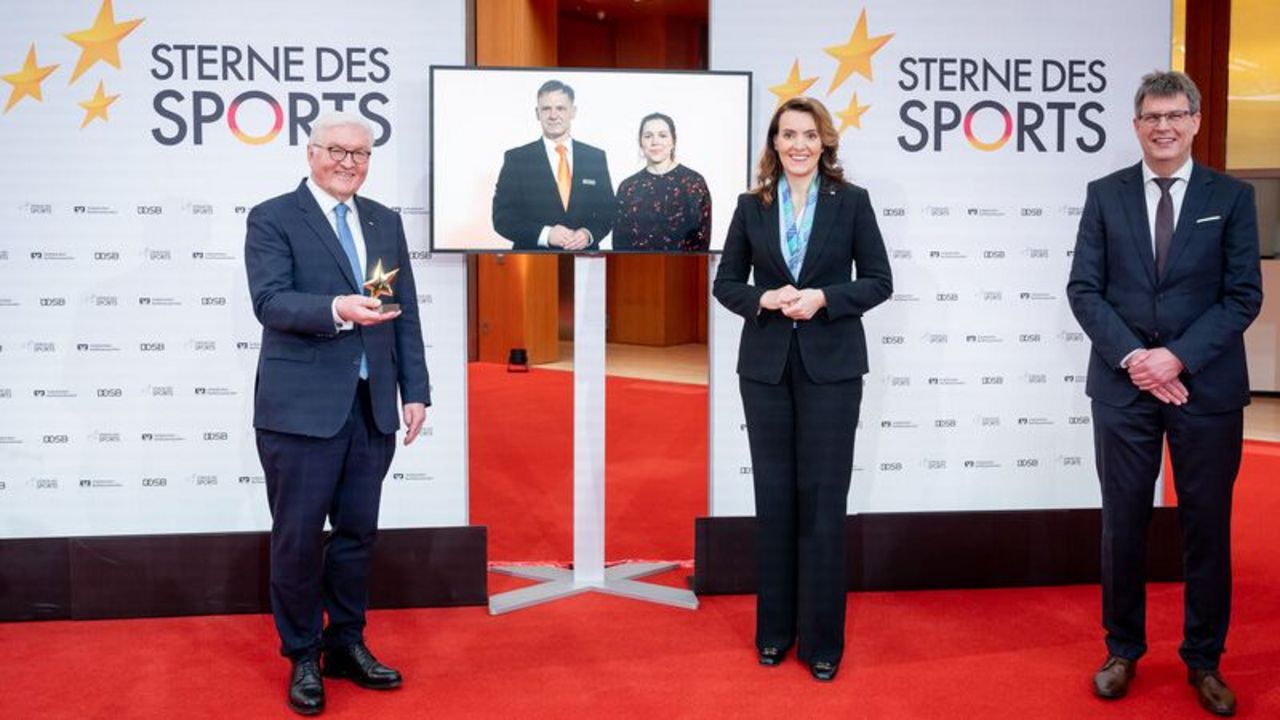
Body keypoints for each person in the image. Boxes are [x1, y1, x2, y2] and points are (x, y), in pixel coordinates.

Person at [1067, 70, 1261, 717]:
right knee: (1123, 525)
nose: (1164, 126)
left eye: (1175, 114)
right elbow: (1084, 291)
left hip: (1206, 391)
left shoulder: (1230, 198)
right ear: (1136, 125)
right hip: (1123, 392)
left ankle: (1204, 659)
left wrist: (1176, 356)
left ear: (1196, 121)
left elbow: (1242, 297)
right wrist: (1135, 360)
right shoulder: (1104, 195)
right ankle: (1122, 649)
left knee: (1206, 528)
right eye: (1151, 116)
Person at [244, 111, 430, 716]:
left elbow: (400, 311)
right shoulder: (273, 217)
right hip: (300, 412)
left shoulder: (383, 221)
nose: (349, 162)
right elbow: (270, 302)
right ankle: (301, 652)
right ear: (311, 152)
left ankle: (346, 642)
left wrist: (415, 389)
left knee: (356, 535)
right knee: (297, 540)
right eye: (337, 151)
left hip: (372, 409)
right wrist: (337, 308)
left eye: (361, 153)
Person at [712, 96, 892, 682]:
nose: (798, 145)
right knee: (776, 499)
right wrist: (763, 298)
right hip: (764, 369)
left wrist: (824, 299)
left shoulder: (852, 202)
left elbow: (879, 281)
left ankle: (822, 641)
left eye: (808, 135)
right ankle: (773, 632)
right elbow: (726, 283)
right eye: (787, 134)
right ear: (774, 143)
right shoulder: (751, 205)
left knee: (822, 503)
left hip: (832, 369)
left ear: (825, 143)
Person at [492, 79, 615, 251]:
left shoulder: (595, 157)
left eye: (560, 108)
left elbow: (608, 212)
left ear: (573, 112)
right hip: (532, 262)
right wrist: (545, 234)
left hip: (585, 260)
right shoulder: (517, 159)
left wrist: (588, 234)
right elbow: (502, 219)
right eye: (546, 108)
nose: (553, 115)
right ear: (537, 113)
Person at [613, 112, 712, 251]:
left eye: (663, 135)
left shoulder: (694, 183)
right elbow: (619, 244)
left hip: (683, 269)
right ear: (640, 142)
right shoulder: (628, 187)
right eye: (648, 136)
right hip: (635, 269)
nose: (655, 142)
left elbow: (702, 242)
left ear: (673, 141)